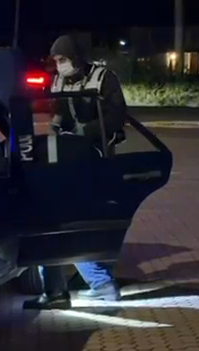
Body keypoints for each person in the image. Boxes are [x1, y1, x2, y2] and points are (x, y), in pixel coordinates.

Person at [26, 35, 127, 309]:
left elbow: (118, 115)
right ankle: (91, 284)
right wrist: (56, 131)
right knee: (71, 221)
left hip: (97, 157)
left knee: (65, 221)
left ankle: (97, 284)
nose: (59, 65)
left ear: (77, 57)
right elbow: (60, 111)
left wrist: (88, 130)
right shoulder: (59, 81)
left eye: (63, 59)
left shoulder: (103, 78)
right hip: (70, 157)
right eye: (56, 61)